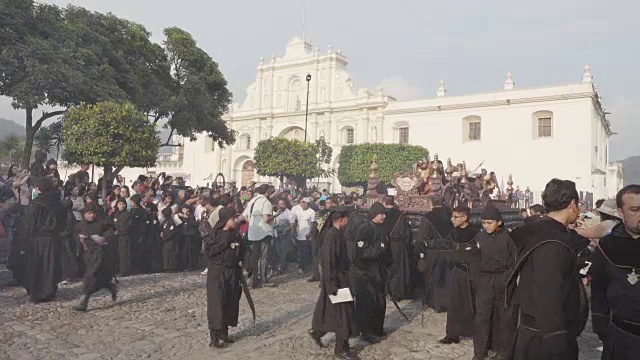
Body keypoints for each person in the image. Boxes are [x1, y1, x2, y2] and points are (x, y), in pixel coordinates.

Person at [507, 179, 590, 360]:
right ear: (572, 204)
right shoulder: (552, 242)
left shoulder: (539, 232)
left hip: (534, 332)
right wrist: (557, 342)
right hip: (546, 338)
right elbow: (549, 296)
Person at [591, 185, 640, 359]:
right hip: (620, 339)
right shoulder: (607, 247)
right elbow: (598, 291)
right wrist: (603, 329)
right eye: (635, 210)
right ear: (620, 212)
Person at [309, 207, 355, 360]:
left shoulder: (338, 234)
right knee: (344, 316)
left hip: (340, 279)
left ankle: (317, 331)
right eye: (346, 218)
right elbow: (328, 263)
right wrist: (331, 284)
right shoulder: (331, 237)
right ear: (341, 219)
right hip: (336, 281)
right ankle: (341, 349)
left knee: (329, 312)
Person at [472, 206, 517, 360]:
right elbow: (474, 259)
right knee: (482, 316)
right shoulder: (479, 237)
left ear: (498, 222)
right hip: (484, 280)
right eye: (484, 223)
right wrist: (477, 279)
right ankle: (480, 352)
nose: (486, 226)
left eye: (489, 223)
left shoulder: (509, 238)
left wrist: (508, 278)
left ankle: (503, 352)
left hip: (504, 279)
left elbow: (515, 260)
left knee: (504, 317)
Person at [204, 207, 245, 348]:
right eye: (233, 218)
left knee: (230, 301)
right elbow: (210, 252)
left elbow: (242, 250)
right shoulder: (215, 235)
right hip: (217, 273)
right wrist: (226, 241)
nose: (235, 220)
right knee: (216, 303)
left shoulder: (236, 234)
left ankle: (224, 333)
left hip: (232, 272)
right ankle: (214, 336)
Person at [439, 206, 480, 344]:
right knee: (454, 302)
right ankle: (452, 333)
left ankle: (475, 331)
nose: (452, 219)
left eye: (456, 217)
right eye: (452, 216)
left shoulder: (476, 232)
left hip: (472, 273)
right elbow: (444, 245)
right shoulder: (453, 233)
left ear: (465, 218)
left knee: (473, 302)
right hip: (457, 271)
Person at [21, 178, 67, 303]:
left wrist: (24, 241)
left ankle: (38, 291)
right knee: (51, 265)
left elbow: (29, 224)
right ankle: (49, 290)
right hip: (54, 238)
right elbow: (64, 222)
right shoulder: (59, 204)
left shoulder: (35, 204)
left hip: (38, 239)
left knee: (38, 265)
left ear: (38, 188)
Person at [352, 202, 390, 342]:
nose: (384, 216)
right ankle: (365, 331)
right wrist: (378, 250)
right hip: (367, 271)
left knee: (380, 301)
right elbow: (360, 252)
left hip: (379, 271)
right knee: (368, 302)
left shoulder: (382, 228)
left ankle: (377, 328)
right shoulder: (365, 228)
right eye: (381, 214)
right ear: (374, 214)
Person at [72, 204, 118, 311]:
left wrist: (103, 238)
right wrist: (81, 238)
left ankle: (84, 301)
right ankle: (108, 285)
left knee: (90, 275)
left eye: (93, 213)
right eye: (89, 213)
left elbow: (112, 230)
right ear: (84, 214)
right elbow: (75, 235)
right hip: (87, 254)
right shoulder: (80, 225)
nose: (91, 215)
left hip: (99, 252)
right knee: (94, 276)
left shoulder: (101, 223)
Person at [242, 184, 274, 288]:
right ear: (268, 192)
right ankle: (263, 280)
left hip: (253, 232)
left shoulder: (252, 201)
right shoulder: (266, 202)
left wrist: (252, 222)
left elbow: (244, 216)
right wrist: (276, 215)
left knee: (254, 257)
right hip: (264, 232)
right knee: (264, 257)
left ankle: (254, 280)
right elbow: (266, 219)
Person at [382, 195, 413, 300]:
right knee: (399, 269)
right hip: (398, 245)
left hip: (386, 243)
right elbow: (406, 233)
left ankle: (387, 290)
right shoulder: (400, 215)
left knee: (387, 268)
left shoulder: (382, 215)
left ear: (384, 203)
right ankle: (397, 292)